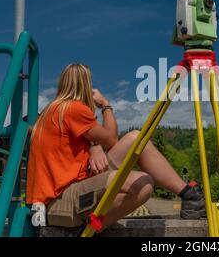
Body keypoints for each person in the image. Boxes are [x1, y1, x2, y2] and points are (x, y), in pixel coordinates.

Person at [26, 64, 205, 231]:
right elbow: (111, 139)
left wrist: (94, 146)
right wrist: (105, 105)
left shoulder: (52, 111)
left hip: (68, 190)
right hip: (62, 202)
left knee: (136, 138)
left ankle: (189, 194)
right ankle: (92, 227)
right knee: (143, 184)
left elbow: (77, 142)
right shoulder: (73, 109)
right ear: (86, 86)